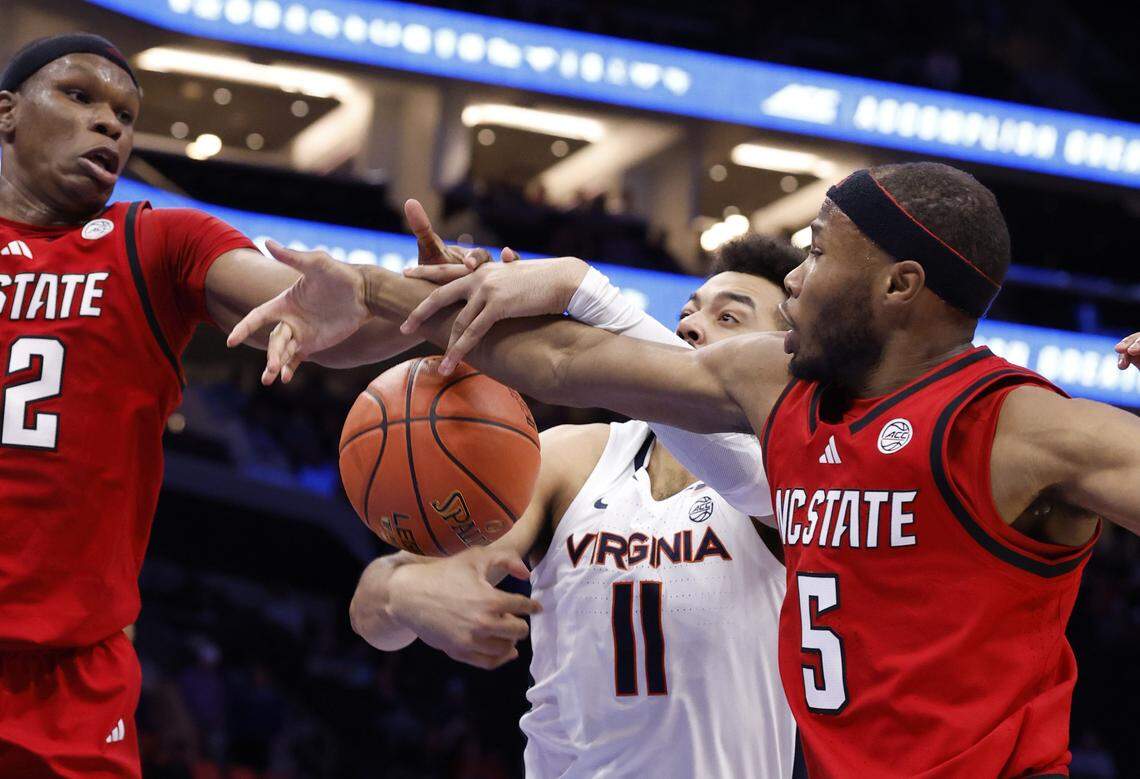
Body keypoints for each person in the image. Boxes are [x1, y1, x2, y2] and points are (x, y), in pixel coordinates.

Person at [234, 161, 1140, 778]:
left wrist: (582, 281)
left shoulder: (1025, 429)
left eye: (818, 251)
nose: (796, 279)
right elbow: (558, 363)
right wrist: (368, 289)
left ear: (899, 285)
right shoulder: (773, 389)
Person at [0, 33, 433, 778]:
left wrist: (417, 302)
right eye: (79, 95)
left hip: (68, 679)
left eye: (125, 114)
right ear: (6, 112)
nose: (110, 123)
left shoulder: (155, 238)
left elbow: (309, 315)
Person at [348, 235, 803, 778]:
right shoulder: (572, 457)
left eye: (729, 318)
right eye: (686, 312)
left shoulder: (795, 476)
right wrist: (404, 592)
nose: (689, 326)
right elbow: (372, 611)